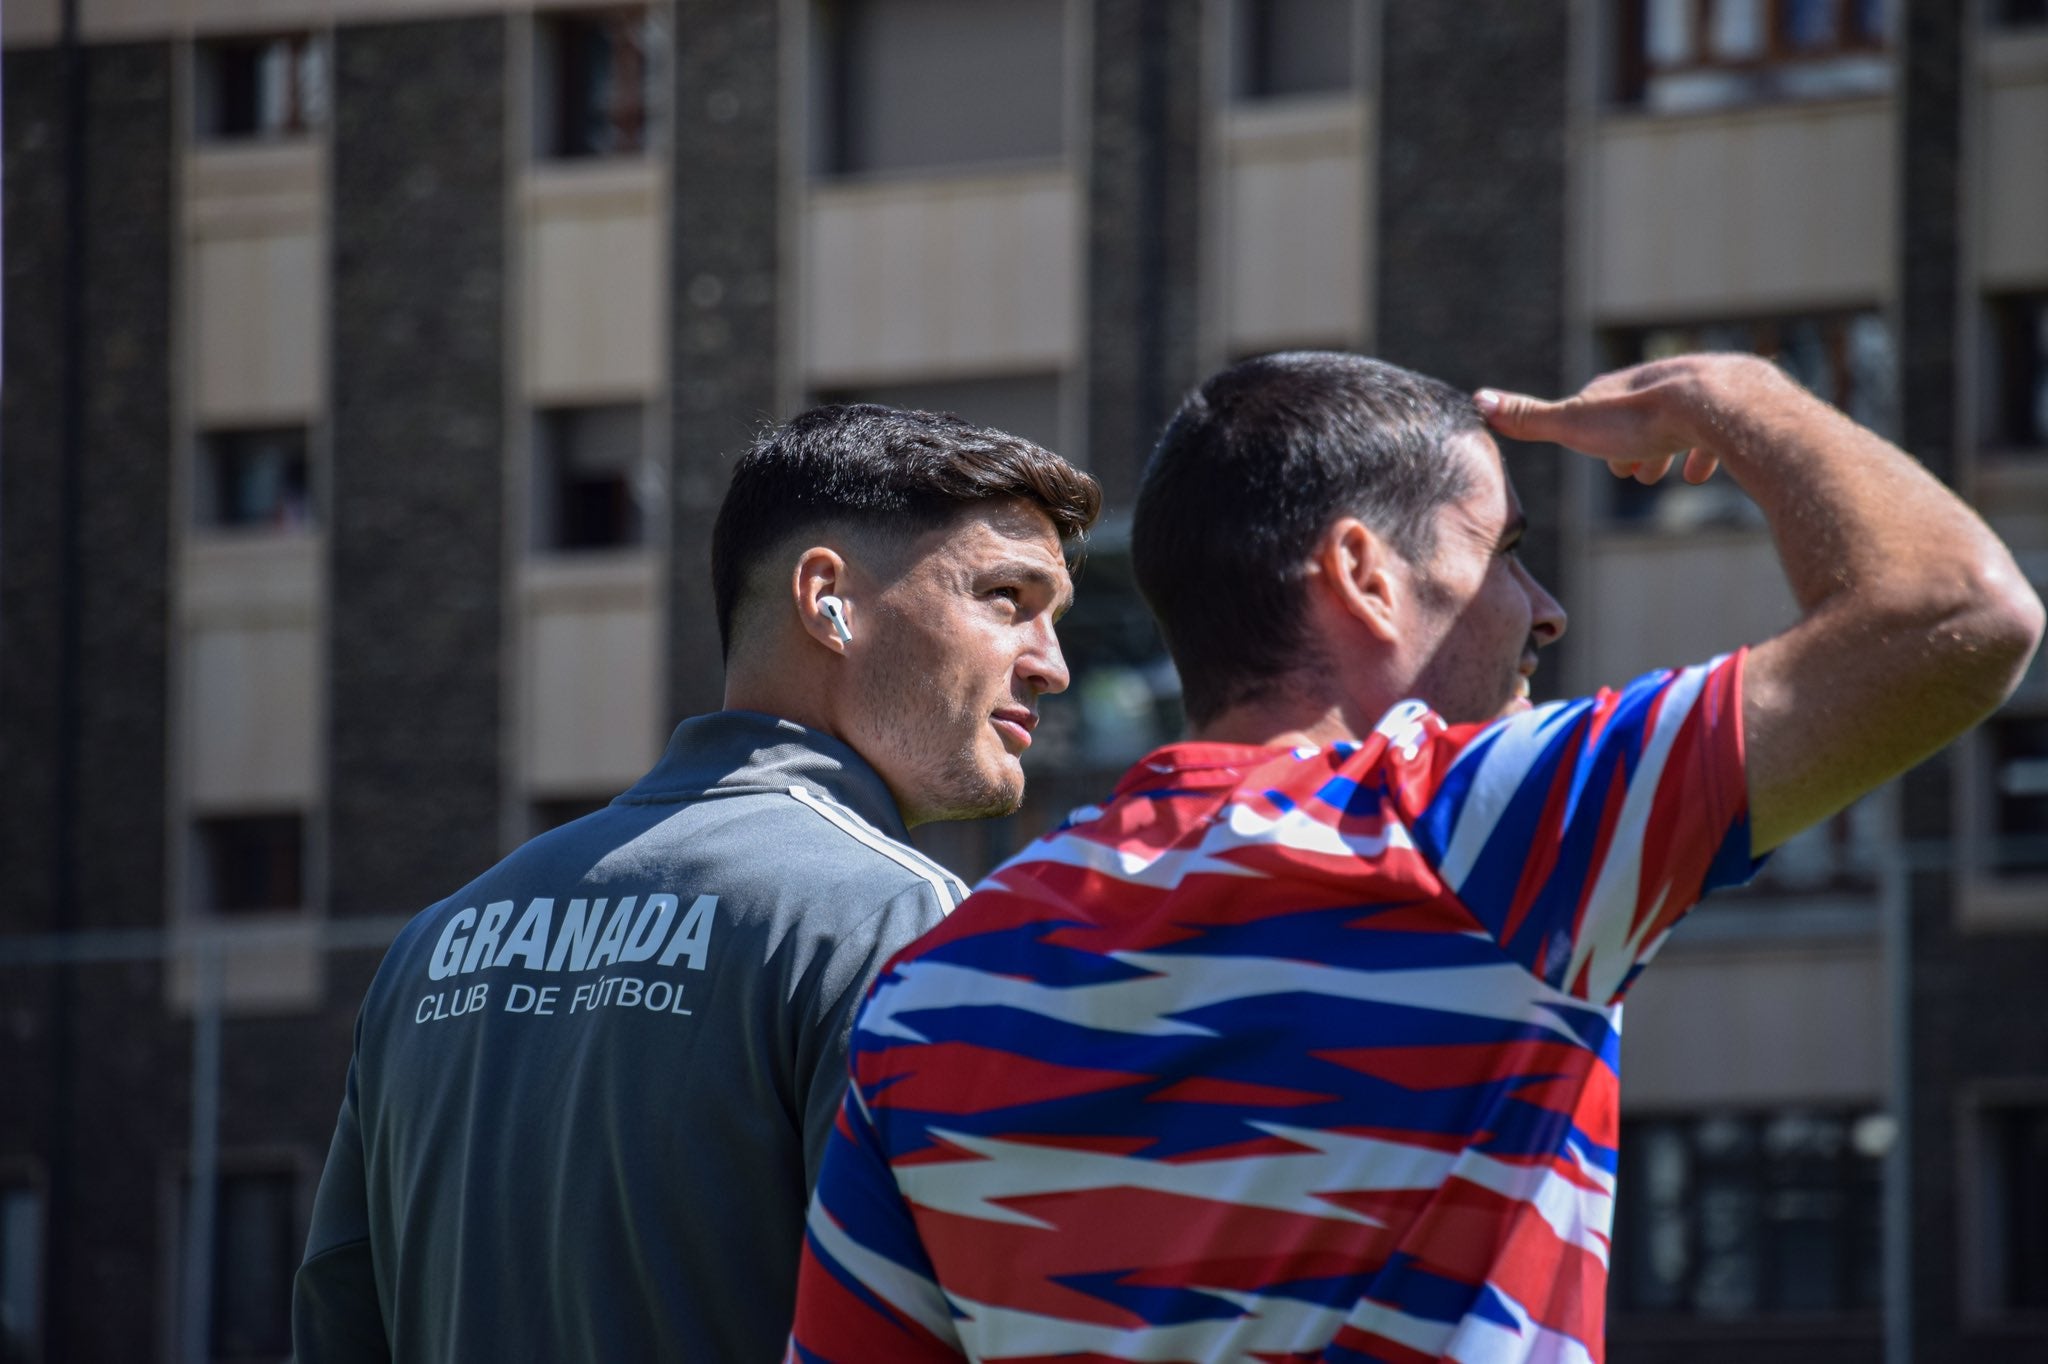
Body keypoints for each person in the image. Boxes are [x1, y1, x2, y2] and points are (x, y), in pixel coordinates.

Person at [785, 353, 2044, 1364]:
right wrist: (1741, 395)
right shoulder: (1480, 835)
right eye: (1500, 552)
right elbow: (1958, 611)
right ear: (1360, 575)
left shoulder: (933, 986)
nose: (1542, 607)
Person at [292, 403, 1100, 1362]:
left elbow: (340, 1330)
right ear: (827, 600)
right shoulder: (890, 916)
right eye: (1007, 596)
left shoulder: (435, 943)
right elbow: (962, 1326)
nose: (1050, 664)